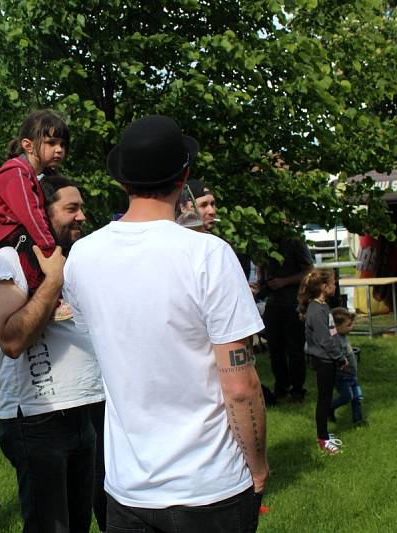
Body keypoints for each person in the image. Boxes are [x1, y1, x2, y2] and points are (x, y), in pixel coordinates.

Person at [64, 115, 267, 532]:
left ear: (122, 182)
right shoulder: (208, 255)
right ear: (185, 177)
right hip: (209, 487)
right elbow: (241, 385)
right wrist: (259, 465)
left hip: (128, 488)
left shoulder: (83, 256)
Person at [0, 175, 105, 533]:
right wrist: (52, 281)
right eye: (71, 208)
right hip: (37, 418)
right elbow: (12, 340)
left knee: (79, 525)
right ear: (39, 212)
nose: (81, 216)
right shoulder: (5, 262)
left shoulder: (68, 259)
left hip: (83, 410)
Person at [0, 110, 69, 294]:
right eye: (51, 143)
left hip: (5, 230)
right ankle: (41, 292)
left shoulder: (30, 175)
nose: (59, 149)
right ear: (28, 145)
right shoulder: (17, 173)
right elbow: (32, 215)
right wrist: (51, 252)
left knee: (48, 237)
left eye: (62, 144)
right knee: (33, 241)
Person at [300, 269, 347, 454]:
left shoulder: (323, 306)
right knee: (324, 399)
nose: (335, 285)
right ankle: (323, 438)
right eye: (333, 283)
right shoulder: (316, 310)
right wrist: (339, 357)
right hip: (324, 360)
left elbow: (331, 332)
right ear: (324, 287)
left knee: (326, 399)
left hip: (330, 358)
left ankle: (324, 434)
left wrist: (339, 351)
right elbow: (324, 340)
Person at [262, 237, 314, 402]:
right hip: (272, 302)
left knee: (295, 350)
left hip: (293, 303)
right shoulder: (265, 239)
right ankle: (281, 387)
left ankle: (297, 390)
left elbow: (309, 271)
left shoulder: (294, 240)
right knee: (275, 349)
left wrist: (285, 281)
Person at [329, 307, 366, 427]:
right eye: (349, 325)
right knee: (347, 397)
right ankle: (329, 408)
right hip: (342, 377)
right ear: (337, 326)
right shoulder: (335, 340)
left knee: (357, 397)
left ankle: (358, 420)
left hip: (352, 375)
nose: (352, 326)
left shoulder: (343, 336)